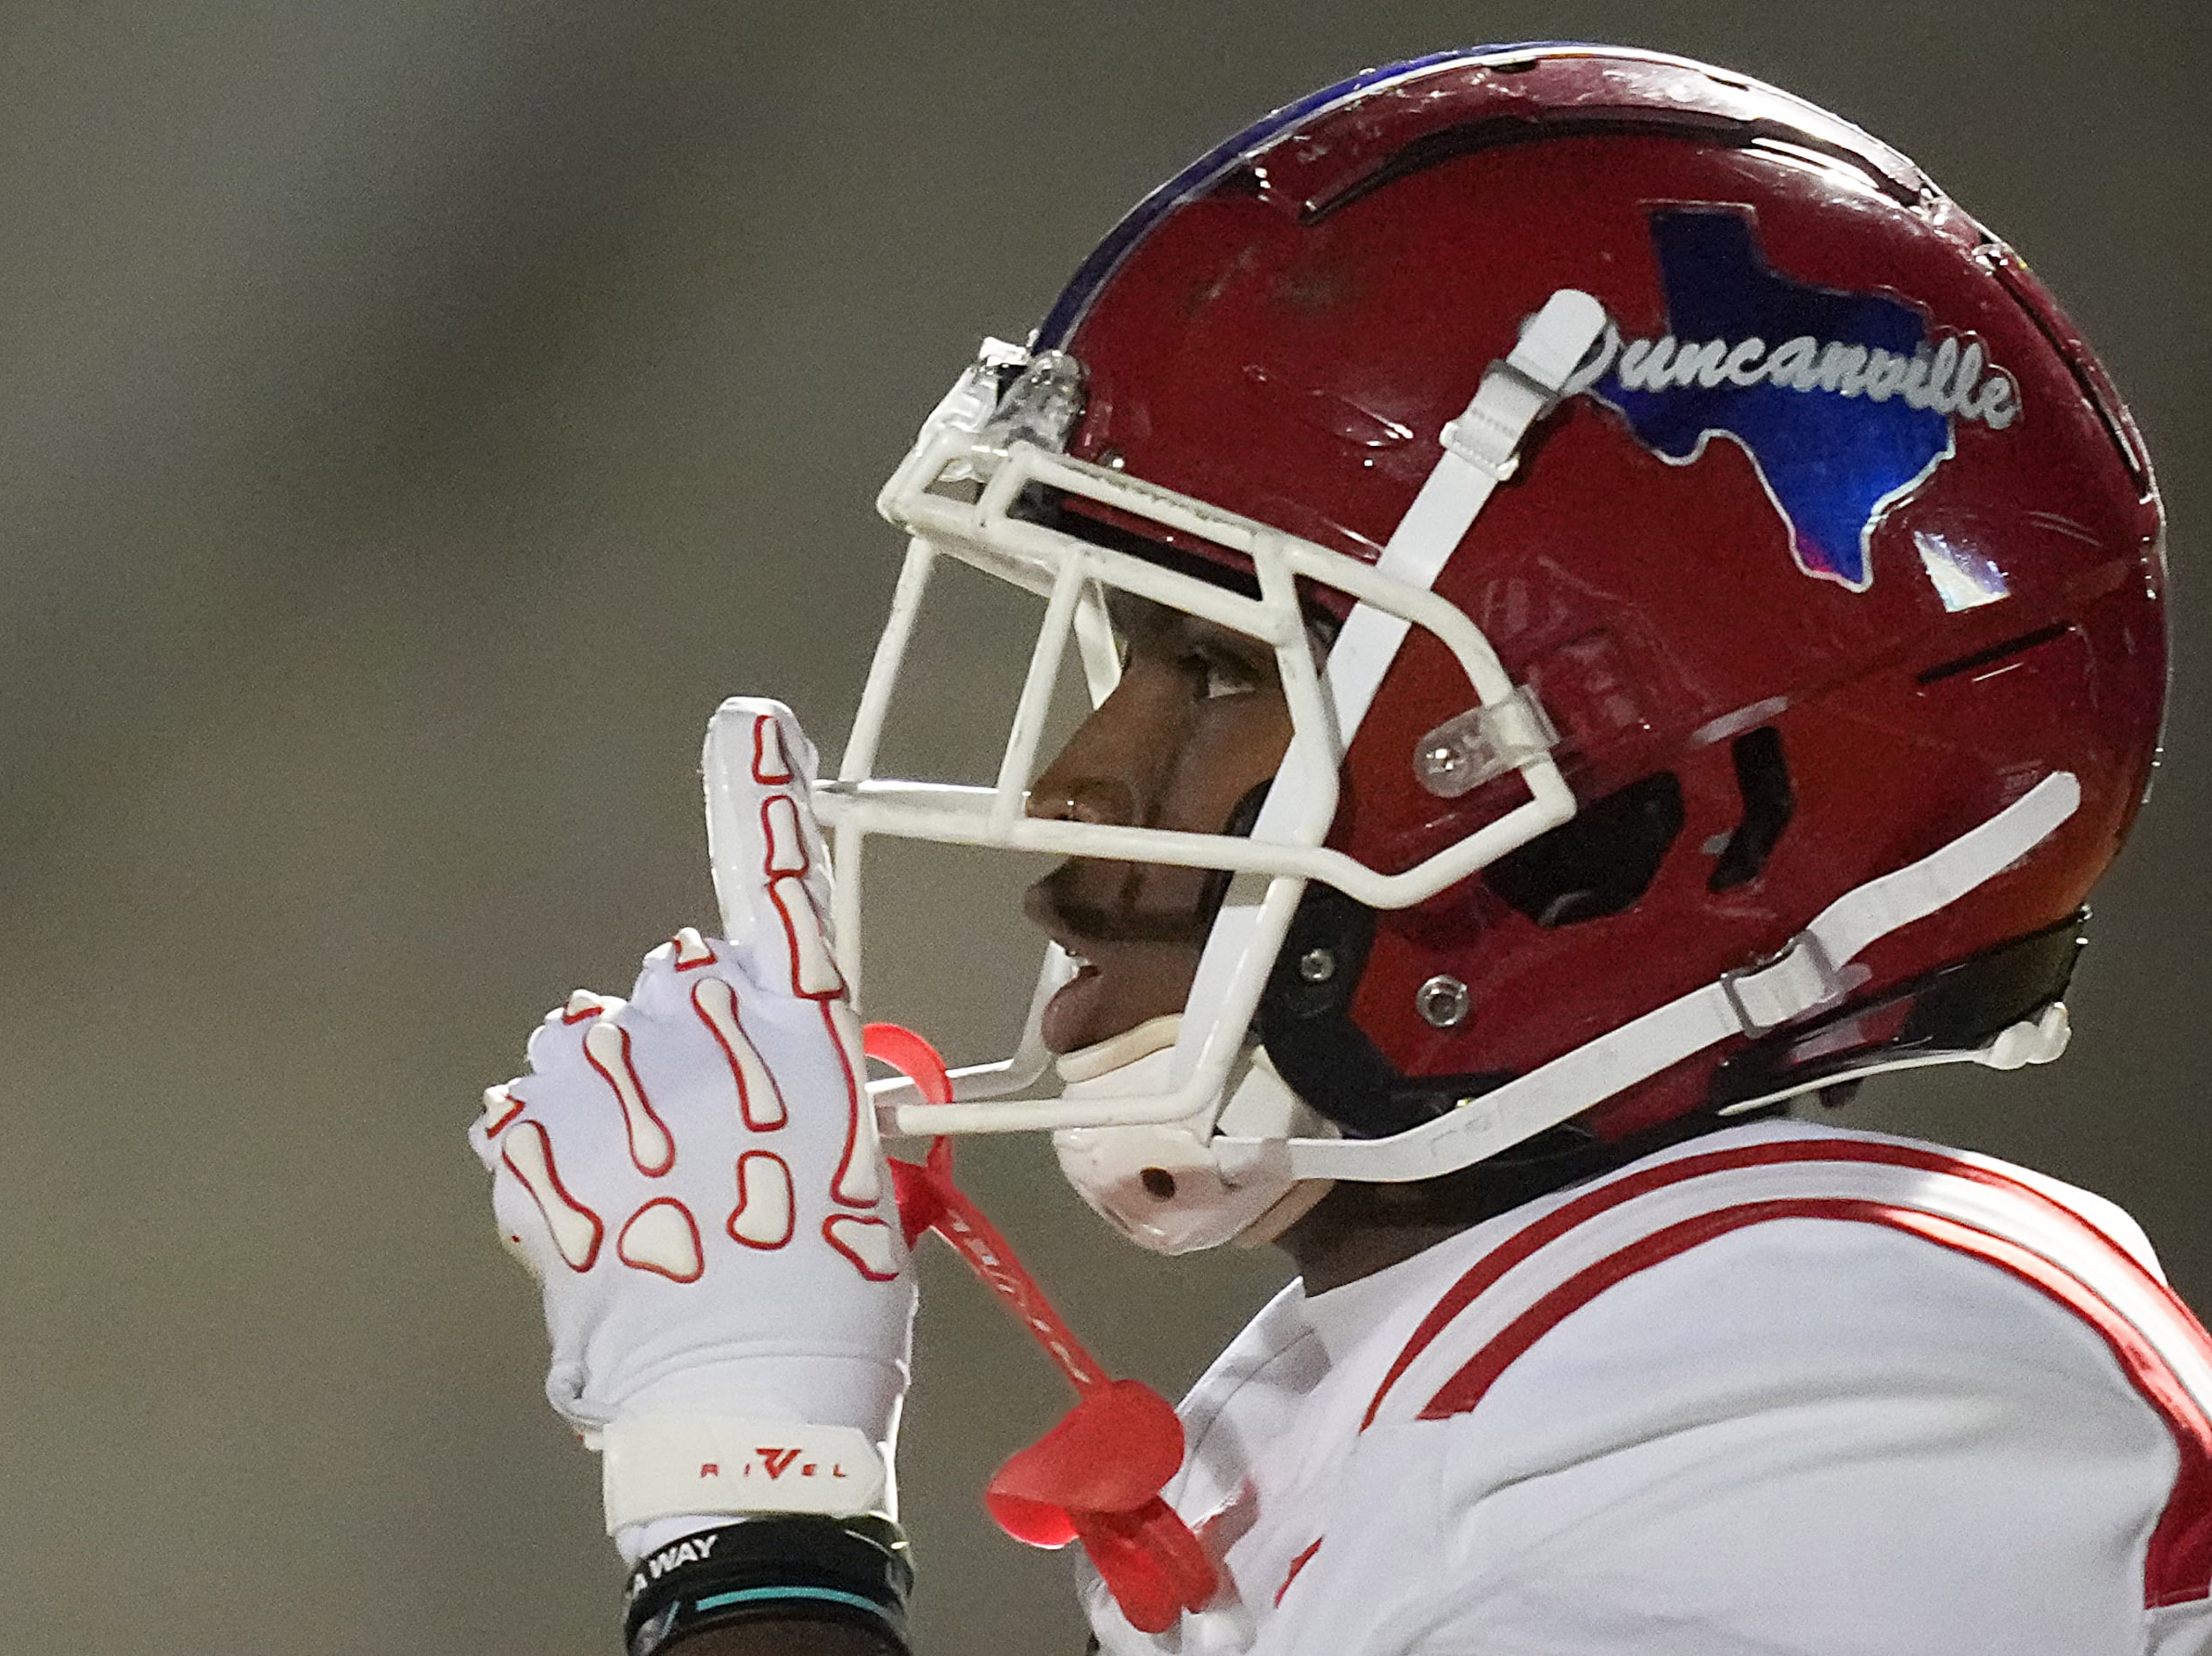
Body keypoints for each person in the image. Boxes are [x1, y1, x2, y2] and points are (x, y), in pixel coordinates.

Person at [470, 43, 2207, 1655]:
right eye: (1130, 656)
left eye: (1223, 670)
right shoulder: (1450, 1375)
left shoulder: (1823, 1398)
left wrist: (757, 1519)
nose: (1080, 786)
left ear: (1643, 810)